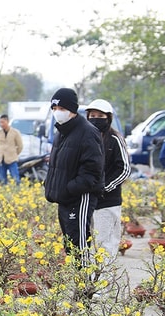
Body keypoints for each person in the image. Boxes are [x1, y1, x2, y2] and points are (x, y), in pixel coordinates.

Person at [44, 88, 104, 264]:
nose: (57, 113)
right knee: (70, 245)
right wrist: (50, 184)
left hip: (79, 198)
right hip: (65, 199)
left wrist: (69, 188)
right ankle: (79, 286)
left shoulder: (87, 132)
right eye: (54, 109)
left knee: (80, 245)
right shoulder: (61, 132)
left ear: (71, 109)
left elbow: (92, 171)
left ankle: (86, 287)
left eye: (61, 109)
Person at [85, 99, 131, 258]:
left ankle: (104, 281)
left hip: (108, 201)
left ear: (108, 118)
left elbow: (125, 169)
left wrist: (105, 187)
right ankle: (92, 281)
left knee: (105, 245)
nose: (95, 119)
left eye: (100, 115)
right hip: (87, 201)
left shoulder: (115, 139)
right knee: (89, 245)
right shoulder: (85, 138)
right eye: (92, 115)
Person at [0, 114, 24, 185]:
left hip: (12, 159)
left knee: (15, 179)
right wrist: (1, 152)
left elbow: (20, 146)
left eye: (3, 122)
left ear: (7, 121)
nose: (1, 124)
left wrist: (14, 153)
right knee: (3, 180)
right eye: (0, 122)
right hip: (1, 159)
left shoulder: (15, 132)